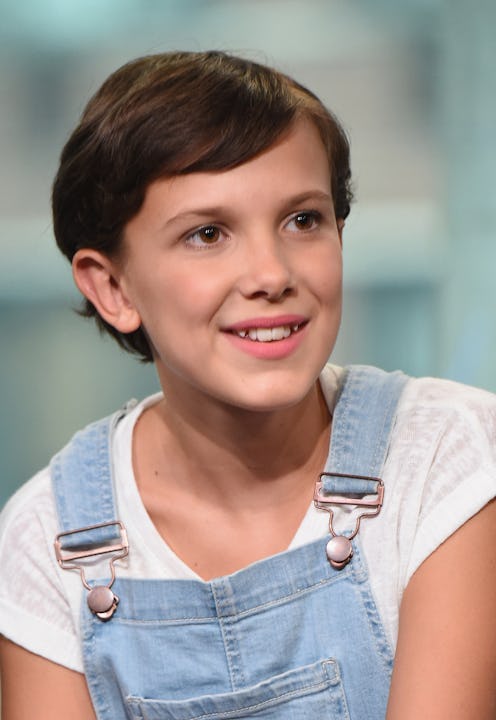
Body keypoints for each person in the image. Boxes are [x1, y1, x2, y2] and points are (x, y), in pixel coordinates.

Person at [0, 51, 495, 720]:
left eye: (303, 220)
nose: (271, 273)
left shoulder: (446, 457)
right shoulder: (48, 540)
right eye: (208, 234)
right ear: (113, 287)